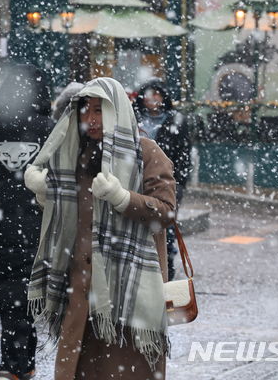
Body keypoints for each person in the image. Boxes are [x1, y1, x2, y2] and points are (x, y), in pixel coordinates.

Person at [24, 77, 176, 380]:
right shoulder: (73, 155)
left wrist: (123, 198)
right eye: (85, 110)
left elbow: (166, 211)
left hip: (129, 289)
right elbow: (70, 214)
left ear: (116, 110)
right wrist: (46, 193)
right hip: (81, 291)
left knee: (125, 370)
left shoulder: (145, 152)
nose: (90, 120)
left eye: (99, 110)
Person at [0, 64, 54, 380]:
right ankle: (19, 362)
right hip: (36, 224)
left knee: (7, 298)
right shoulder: (50, 129)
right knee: (25, 297)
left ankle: (14, 362)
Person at [135, 80, 193, 280]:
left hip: (166, 182)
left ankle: (164, 270)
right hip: (138, 181)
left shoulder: (175, 121)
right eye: (150, 94)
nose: (154, 99)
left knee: (164, 227)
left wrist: (179, 183)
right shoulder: (135, 118)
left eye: (157, 94)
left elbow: (184, 154)